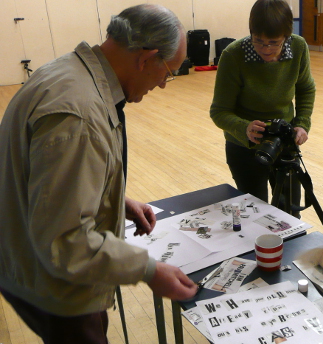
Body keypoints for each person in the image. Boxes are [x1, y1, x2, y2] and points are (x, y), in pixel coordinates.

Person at [0, 4, 197, 343]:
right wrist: (148, 270)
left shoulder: (69, 72)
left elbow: (47, 180)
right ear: (145, 58)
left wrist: (116, 200)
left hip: (26, 260)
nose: (164, 85)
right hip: (56, 288)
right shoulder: (80, 115)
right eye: (169, 71)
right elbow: (65, 240)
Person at [210, 0, 315, 217]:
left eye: (273, 42)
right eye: (258, 41)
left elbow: (306, 89)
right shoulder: (233, 55)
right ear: (251, 33)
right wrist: (244, 127)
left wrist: (302, 124)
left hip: (284, 143)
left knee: (288, 215)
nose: (265, 49)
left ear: (286, 37)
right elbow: (219, 111)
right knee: (254, 214)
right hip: (244, 147)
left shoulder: (298, 47)